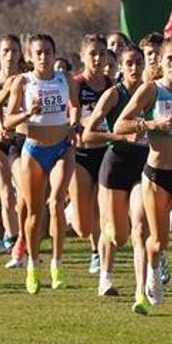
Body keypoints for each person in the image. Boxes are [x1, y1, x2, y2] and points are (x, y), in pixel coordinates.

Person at [113, 36, 172, 326]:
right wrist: (152, 124)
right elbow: (120, 125)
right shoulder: (150, 91)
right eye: (170, 59)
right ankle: (153, 267)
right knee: (157, 241)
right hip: (157, 174)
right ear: (161, 63)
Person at [1, 33, 75, 294]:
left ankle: (57, 264)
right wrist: (28, 112)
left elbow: (75, 107)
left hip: (62, 149)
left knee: (56, 202)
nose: (44, 57)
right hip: (33, 150)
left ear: (55, 54)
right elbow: (8, 121)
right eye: (39, 53)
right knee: (34, 212)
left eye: (48, 52)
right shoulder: (23, 82)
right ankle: (32, 264)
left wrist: (73, 126)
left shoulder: (64, 79)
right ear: (30, 57)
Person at [88, 44, 149, 299]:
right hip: (116, 164)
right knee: (117, 234)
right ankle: (105, 274)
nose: (134, 67)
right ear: (120, 67)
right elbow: (88, 133)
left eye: (138, 62)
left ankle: (143, 287)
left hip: (144, 164)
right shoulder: (114, 94)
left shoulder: (153, 93)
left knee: (140, 226)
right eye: (129, 63)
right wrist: (121, 136)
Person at [71, 34, 112, 278]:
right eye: (93, 54)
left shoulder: (110, 85)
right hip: (81, 154)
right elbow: (71, 117)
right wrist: (87, 124)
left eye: (102, 53)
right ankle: (91, 242)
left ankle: (99, 253)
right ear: (83, 56)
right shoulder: (77, 84)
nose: (97, 58)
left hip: (106, 152)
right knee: (83, 223)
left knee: (102, 207)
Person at [0, 35, 25, 256]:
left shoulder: (26, 81)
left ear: (20, 55)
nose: (10, 56)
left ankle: (23, 236)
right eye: (6, 51)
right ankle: (11, 238)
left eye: (14, 51)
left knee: (22, 192)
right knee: (5, 193)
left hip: (20, 142)